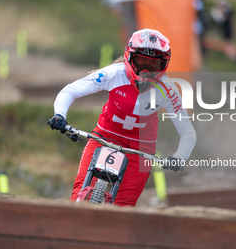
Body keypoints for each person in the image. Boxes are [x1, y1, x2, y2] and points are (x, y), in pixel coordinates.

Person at [49, 29, 197, 207]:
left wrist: (180, 157)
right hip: (104, 136)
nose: (144, 70)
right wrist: (60, 115)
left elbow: (187, 132)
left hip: (140, 148)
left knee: (124, 209)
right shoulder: (113, 73)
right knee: (79, 194)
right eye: (141, 61)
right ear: (129, 56)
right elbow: (71, 90)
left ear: (163, 65)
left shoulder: (168, 89)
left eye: (151, 65)